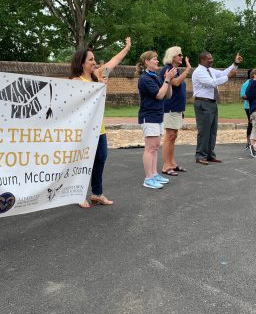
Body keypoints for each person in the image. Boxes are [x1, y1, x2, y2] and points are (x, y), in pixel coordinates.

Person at [70, 38, 131, 208]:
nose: (94, 62)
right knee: (82, 161)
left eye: (94, 59)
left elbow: (114, 61)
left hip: (99, 128)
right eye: (91, 59)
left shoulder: (98, 76)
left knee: (101, 158)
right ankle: (78, 194)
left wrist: (126, 47)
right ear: (82, 63)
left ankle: (97, 194)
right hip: (83, 130)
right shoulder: (75, 82)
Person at [192, 51, 242, 165]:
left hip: (212, 103)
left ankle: (210, 155)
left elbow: (223, 72)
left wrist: (235, 64)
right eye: (209, 59)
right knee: (204, 131)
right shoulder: (199, 72)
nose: (211, 60)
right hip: (203, 103)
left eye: (211, 58)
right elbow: (212, 83)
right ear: (202, 60)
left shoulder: (210, 70)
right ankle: (200, 156)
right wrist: (228, 77)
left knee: (212, 131)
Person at [136, 51, 177, 189]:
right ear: (147, 62)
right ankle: (148, 178)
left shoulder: (156, 77)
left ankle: (154, 174)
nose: (157, 61)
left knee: (155, 148)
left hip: (158, 116)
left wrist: (169, 80)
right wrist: (166, 80)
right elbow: (159, 95)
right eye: (154, 59)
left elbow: (168, 95)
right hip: (149, 116)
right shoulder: (144, 78)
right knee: (150, 148)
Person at [159, 47, 191, 176]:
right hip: (170, 107)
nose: (182, 57)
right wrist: (188, 69)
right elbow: (176, 83)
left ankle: (172, 163)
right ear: (172, 56)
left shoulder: (176, 70)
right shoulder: (167, 69)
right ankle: (166, 166)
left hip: (177, 108)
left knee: (174, 136)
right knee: (169, 136)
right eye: (179, 55)